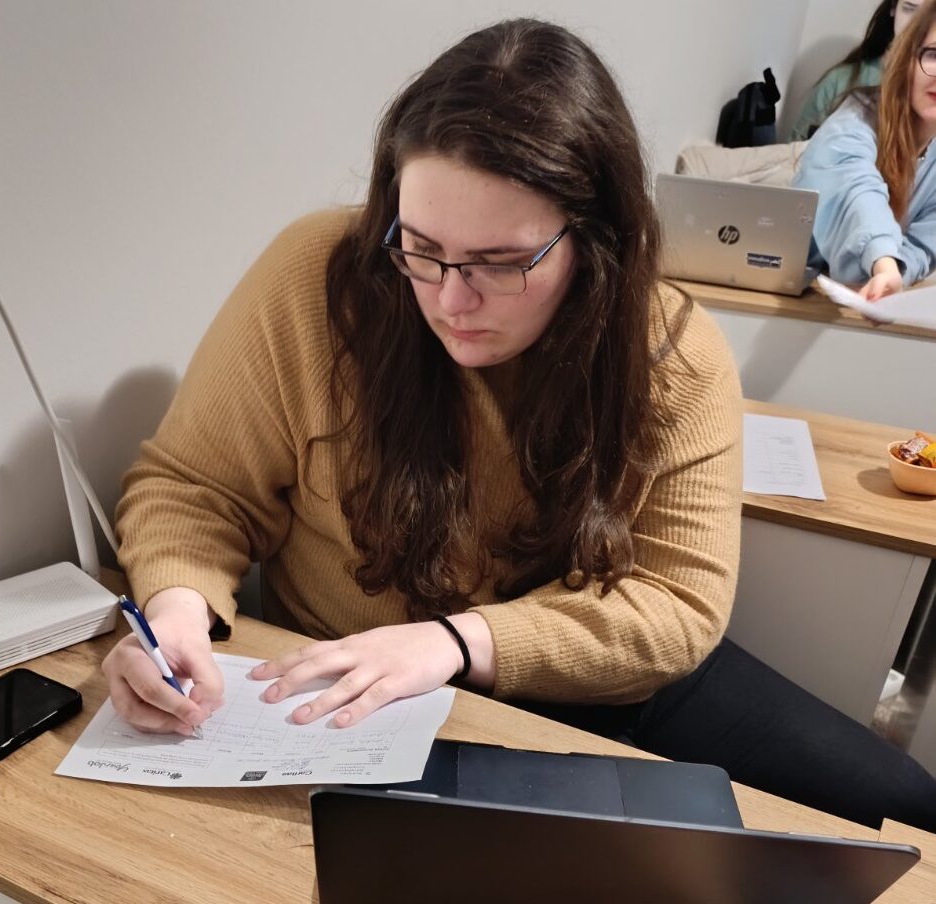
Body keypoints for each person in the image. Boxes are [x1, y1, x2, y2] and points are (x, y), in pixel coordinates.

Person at [105, 18, 936, 830]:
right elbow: (195, 489)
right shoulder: (318, 280)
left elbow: (677, 604)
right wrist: (176, 610)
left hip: (593, 665)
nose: (449, 298)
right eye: (419, 246)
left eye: (500, 263)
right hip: (356, 690)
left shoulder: (673, 352)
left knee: (902, 804)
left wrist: (455, 642)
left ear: (594, 241)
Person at [795, 0, 936, 299]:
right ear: (906, 59)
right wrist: (883, 263)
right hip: (797, 280)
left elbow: (926, 243)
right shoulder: (854, 121)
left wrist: (895, 272)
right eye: (933, 55)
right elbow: (856, 189)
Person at [790, 0, 918, 141]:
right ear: (893, 8)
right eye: (910, 9)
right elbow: (796, 146)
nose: (918, 23)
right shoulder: (841, 80)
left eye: (930, 13)